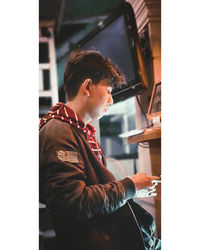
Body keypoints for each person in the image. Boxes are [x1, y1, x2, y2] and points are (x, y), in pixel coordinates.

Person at [39, 49, 161, 250]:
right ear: (87, 86)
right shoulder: (60, 132)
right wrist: (129, 187)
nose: (111, 101)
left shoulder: (76, 129)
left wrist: (133, 189)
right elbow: (74, 204)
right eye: (109, 91)